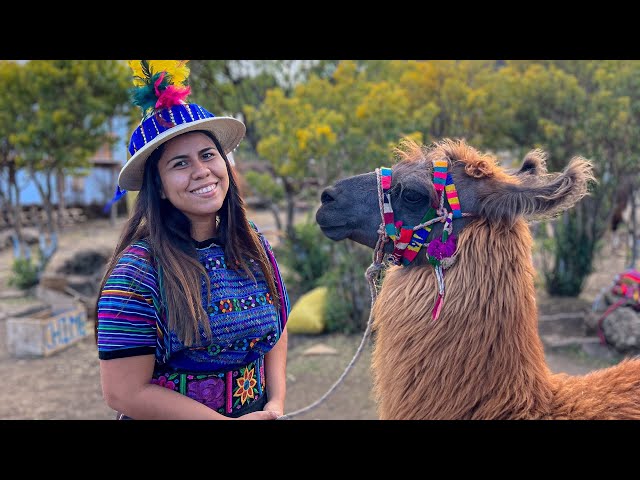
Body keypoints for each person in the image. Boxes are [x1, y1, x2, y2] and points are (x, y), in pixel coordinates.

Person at [95, 60, 289, 420]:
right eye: (180, 164)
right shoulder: (137, 273)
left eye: (207, 155)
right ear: (160, 188)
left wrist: (275, 405)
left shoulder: (252, 244)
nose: (201, 171)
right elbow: (123, 391)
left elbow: (277, 328)